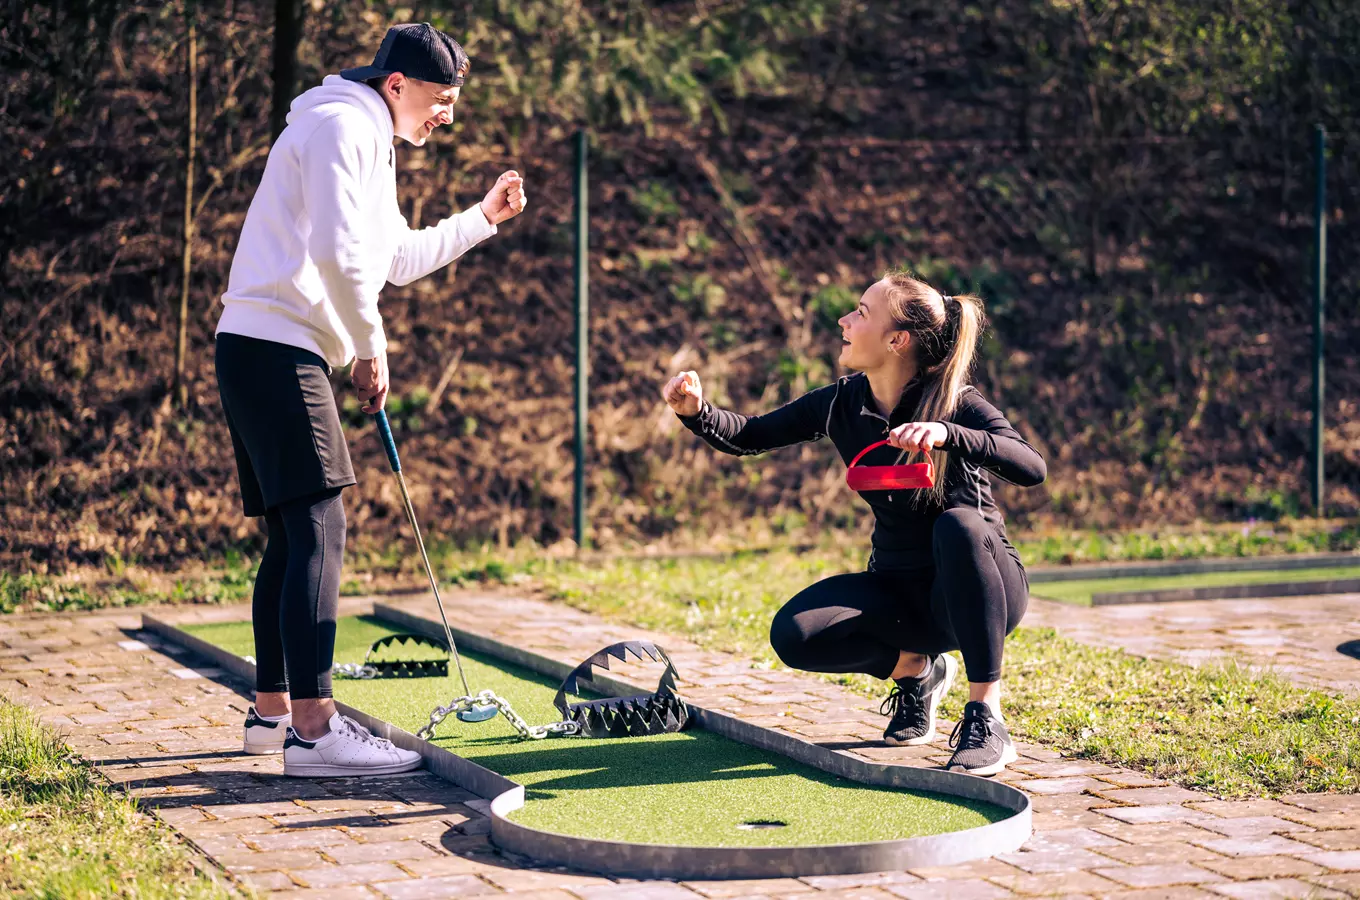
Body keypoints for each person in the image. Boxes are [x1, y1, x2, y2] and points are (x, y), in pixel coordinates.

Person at [215, 23, 527, 777]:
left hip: (266, 345)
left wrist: (481, 219)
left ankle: (273, 714)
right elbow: (337, 255)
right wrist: (369, 348)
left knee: (294, 536)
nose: (447, 115)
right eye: (441, 99)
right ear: (397, 86)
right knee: (321, 523)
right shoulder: (339, 127)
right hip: (275, 345)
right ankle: (316, 734)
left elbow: (390, 259)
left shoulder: (367, 136)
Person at [661, 272, 1045, 775]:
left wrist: (949, 433)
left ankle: (985, 714)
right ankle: (916, 671)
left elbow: (1030, 466)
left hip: (983, 591)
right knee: (795, 634)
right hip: (901, 595)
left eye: (861, 312)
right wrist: (697, 412)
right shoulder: (842, 401)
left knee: (959, 526)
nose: (844, 320)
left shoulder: (954, 400)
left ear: (896, 340)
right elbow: (752, 435)